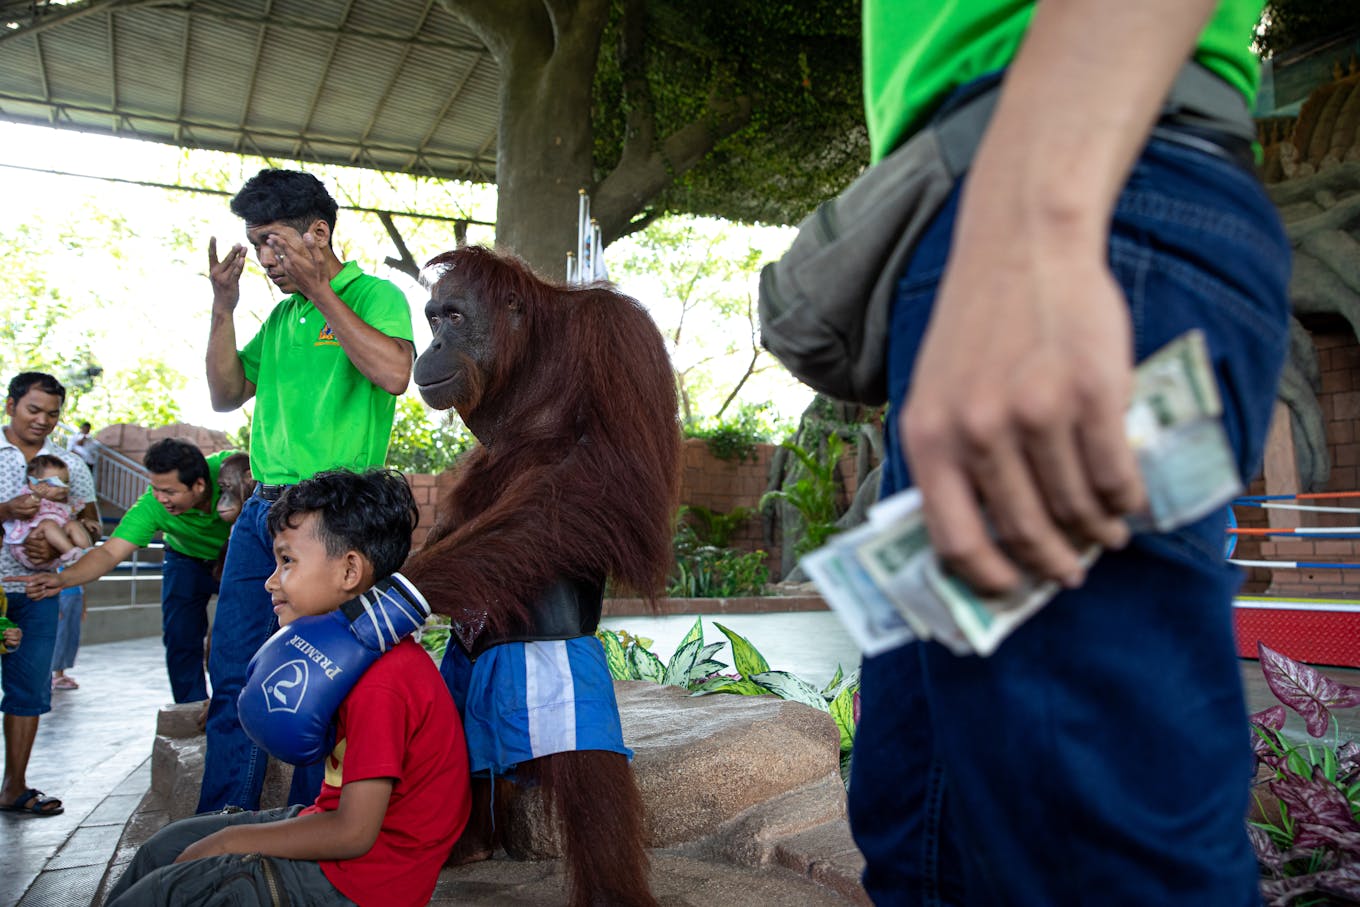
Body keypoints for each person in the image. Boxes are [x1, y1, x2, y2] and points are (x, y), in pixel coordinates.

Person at [847, 2, 1290, 904]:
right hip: (1006, 210)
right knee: (918, 840)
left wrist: (1034, 219)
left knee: (1099, 861)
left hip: (1080, 180)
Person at [105, 469, 470, 907]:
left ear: (350, 570)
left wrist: (228, 842)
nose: (270, 580)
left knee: (169, 891)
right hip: (334, 830)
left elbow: (354, 833)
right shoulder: (343, 653)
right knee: (164, 847)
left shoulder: (384, 681)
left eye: (287, 561)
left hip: (365, 880)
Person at [202, 168, 414, 813]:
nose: (265, 260)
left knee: (322, 673)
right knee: (233, 672)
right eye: (255, 245)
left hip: (331, 517)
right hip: (262, 511)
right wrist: (223, 307)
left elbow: (395, 372)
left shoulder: (373, 295)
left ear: (317, 233)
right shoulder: (282, 318)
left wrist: (322, 293)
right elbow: (225, 394)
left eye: (273, 242)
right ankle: (222, 821)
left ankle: (308, 825)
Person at [9, 439, 239, 705]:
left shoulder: (230, 470)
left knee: (233, 637)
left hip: (236, 557)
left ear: (199, 485)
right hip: (185, 559)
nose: (160, 498)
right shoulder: (152, 505)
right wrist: (62, 579)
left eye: (169, 491)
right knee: (180, 635)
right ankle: (190, 708)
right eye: (155, 488)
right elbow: (109, 553)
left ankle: (234, 708)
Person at [0, 372, 99, 817]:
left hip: (39, 592)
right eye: (33, 409)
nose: (43, 420)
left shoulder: (70, 465)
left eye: (53, 414)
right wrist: (4, 510)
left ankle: (14, 787)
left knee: (29, 690)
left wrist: (60, 543)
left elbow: (90, 525)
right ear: (11, 406)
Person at [3, 455, 92, 569]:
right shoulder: (30, 496)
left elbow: (74, 515)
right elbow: (26, 506)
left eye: (65, 482)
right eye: (55, 483)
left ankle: (87, 553)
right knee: (48, 524)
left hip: (56, 551)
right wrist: (37, 495)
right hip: (29, 546)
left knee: (73, 524)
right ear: (34, 484)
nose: (62, 488)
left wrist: (85, 522)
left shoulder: (66, 503)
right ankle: (71, 554)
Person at [49, 585, 84, 691]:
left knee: (71, 637)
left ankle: (61, 673)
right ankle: (55, 675)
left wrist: (84, 605)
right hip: (62, 596)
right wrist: (54, 605)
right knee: (60, 637)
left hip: (77, 594)